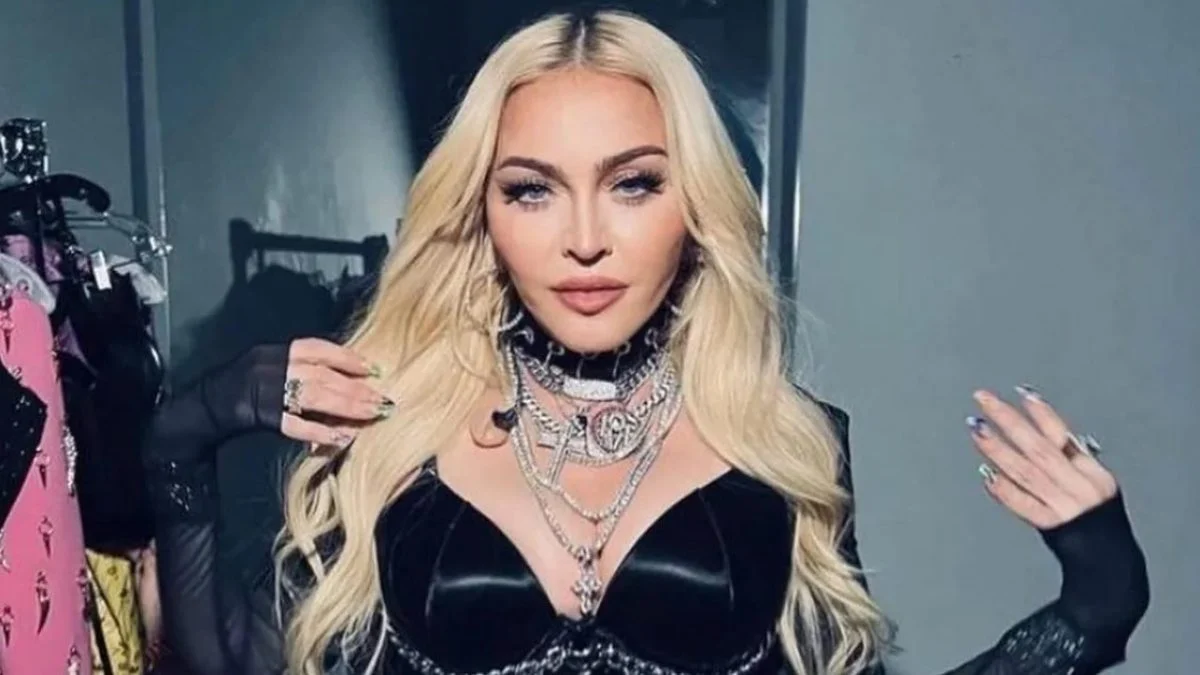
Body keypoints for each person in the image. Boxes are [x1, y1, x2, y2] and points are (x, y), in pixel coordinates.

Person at [141, 9, 1149, 675]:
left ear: (694, 204)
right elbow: (226, 658)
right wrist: (187, 430)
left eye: (633, 184)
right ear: (482, 215)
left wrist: (1099, 600)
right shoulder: (393, 430)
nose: (585, 238)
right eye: (532, 190)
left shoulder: (787, 442)